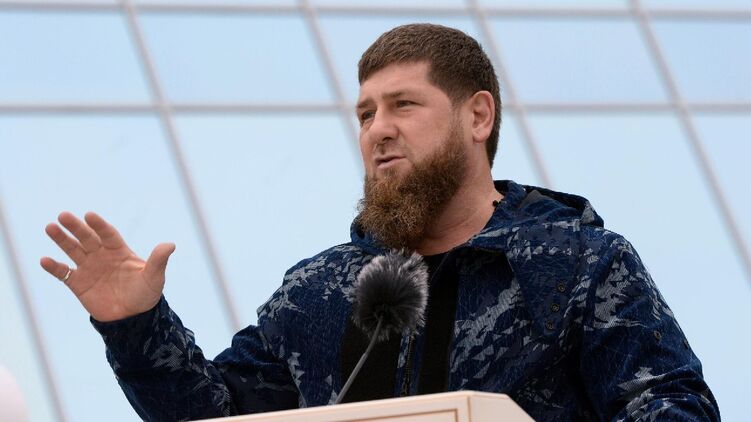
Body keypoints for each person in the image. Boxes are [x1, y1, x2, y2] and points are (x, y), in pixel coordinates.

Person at [41, 24, 720, 421]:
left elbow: (669, 409)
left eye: (403, 105)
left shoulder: (578, 266)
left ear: (477, 116)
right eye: (365, 114)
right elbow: (214, 414)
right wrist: (134, 324)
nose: (377, 130)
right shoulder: (315, 291)